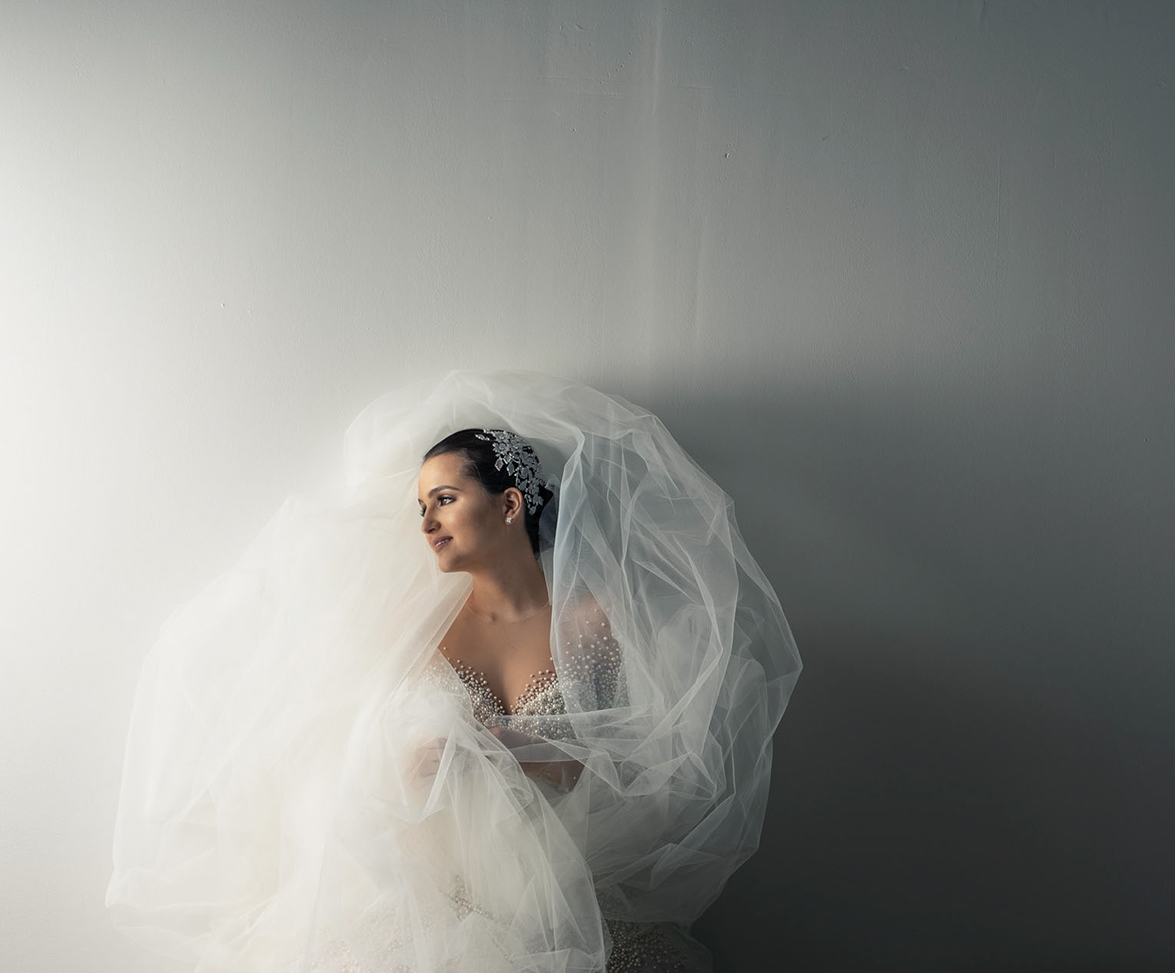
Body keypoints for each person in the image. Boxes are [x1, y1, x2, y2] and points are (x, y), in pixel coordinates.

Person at [106, 371, 802, 973]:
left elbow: (631, 765)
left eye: (443, 499)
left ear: (508, 503)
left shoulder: (591, 620)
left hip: (569, 882)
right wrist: (416, 763)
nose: (426, 523)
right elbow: (361, 763)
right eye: (421, 507)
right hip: (432, 892)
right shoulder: (415, 627)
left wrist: (508, 749)